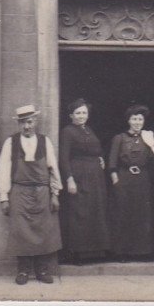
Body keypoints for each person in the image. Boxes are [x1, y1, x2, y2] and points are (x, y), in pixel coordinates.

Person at [0, 105, 63, 285]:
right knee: (21, 232)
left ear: (35, 122)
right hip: (19, 192)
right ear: (18, 124)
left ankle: (42, 270)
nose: (26, 126)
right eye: (23, 123)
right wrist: (4, 197)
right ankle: (23, 271)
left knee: (44, 231)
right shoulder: (11, 143)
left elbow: (53, 169)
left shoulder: (45, 141)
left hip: (42, 192)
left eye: (29, 122)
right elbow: (3, 170)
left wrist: (55, 194)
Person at [59, 98, 110, 263]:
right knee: (80, 213)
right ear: (71, 115)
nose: (81, 116)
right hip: (79, 176)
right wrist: (69, 179)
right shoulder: (68, 131)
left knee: (95, 211)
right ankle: (78, 253)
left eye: (84, 113)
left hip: (95, 177)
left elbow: (96, 148)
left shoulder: (89, 129)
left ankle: (94, 252)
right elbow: (64, 158)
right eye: (78, 113)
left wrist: (100, 157)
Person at [108, 105, 154, 259]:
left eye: (140, 119)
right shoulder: (119, 138)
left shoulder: (149, 137)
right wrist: (115, 181)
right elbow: (112, 162)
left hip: (142, 178)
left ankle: (143, 252)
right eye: (134, 119)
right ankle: (122, 252)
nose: (137, 122)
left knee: (142, 215)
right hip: (124, 178)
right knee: (123, 213)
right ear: (128, 121)